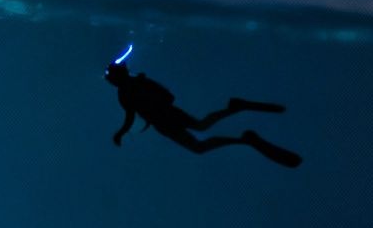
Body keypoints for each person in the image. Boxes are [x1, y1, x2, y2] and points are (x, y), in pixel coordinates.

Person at [104, 47, 300, 167]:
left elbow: (133, 114)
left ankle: (244, 138)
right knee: (201, 126)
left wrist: (123, 131)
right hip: (168, 116)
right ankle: (235, 110)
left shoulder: (128, 91)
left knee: (199, 145)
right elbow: (166, 98)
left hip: (164, 122)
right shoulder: (137, 85)